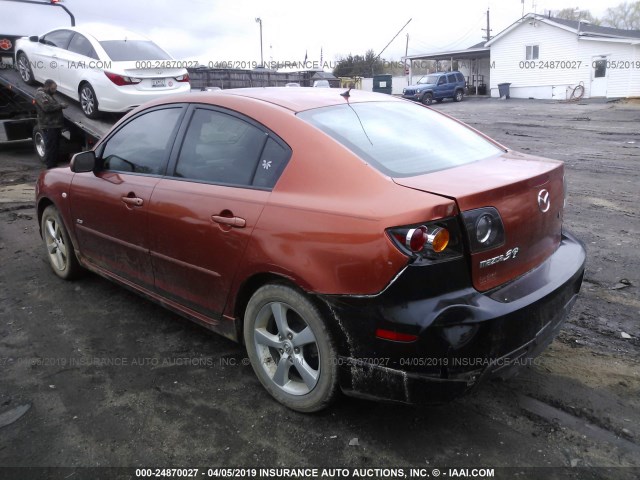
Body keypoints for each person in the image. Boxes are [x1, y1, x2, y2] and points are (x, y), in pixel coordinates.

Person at [34, 79, 68, 169]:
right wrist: (61, 105)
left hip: (54, 125)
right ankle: (50, 166)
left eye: (55, 88)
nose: (55, 90)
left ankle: (54, 164)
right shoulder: (40, 95)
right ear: (47, 87)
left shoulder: (48, 95)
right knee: (51, 146)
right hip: (49, 125)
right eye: (53, 88)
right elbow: (46, 108)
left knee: (55, 145)